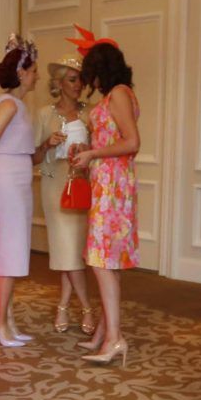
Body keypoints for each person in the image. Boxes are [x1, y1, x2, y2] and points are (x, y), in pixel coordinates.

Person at [70, 26, 141, 366]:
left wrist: (93, 155)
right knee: (106, 262)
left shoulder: (120, 94)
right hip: (108, 186)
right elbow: (116, 141)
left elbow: (132, 142)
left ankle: (114, 338)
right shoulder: (113, 96)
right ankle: (104, 332)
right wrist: (90, 150)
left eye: (92, 72)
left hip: (114, 190)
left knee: (101, 261)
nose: (90, 80)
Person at [0, 33, 38, 346]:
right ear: (21, 73)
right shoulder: (9, 105)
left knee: (12, 250)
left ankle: (7, 318)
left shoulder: (16, 105)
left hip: (15, 179)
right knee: (9, 250)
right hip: (7, 181)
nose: (37, 76)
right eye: (33, 70)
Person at [33, 55, 96, 335]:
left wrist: (85, 155)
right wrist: (48, 143)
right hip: (54, 185)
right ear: (59, 84)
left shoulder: (90, 113)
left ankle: (62, 305)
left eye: (80, 79)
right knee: (65, 249)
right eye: (72, 79)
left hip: (82, 184)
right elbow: (32, 156)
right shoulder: (44, 114)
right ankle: (86, 307)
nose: (78, 85)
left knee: (74, 252)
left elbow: (100, 153)